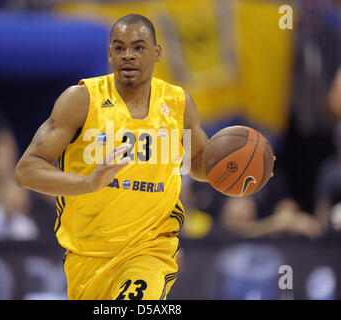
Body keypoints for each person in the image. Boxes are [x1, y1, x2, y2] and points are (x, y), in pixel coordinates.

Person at [15, 14, 274, 300]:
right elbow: (26, 170)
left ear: (157, 52)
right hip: (86, 254)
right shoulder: (80, 100)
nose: (129, 55)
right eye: (120, 47)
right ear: (109, 54)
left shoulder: (178, 103)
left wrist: (233, 166)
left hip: (149, 249)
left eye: (138, 47)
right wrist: (88, 182)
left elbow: (199, 164)